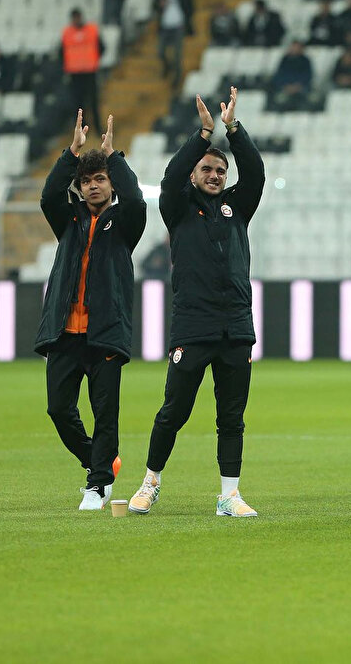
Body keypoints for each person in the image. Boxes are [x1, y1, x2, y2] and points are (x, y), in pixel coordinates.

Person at [128, 87, 266, 517]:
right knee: (174, 411)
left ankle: (229, 494)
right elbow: (171, 178)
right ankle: (150, 483)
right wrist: (203, 135)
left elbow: (256, 174)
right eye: (207, 168)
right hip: (193, 325)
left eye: (220, 170)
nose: (215, 174)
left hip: (237, 328)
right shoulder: (178, 207)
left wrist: (233, 130)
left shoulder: (237, 208)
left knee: (232, 417)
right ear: (194, 173)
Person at [36, 111, 146, 510]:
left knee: (105, 413)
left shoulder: (126, 221)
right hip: (65, 331)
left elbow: (135, 198)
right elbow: (48, 196)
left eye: (99, 179)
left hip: (104, 332)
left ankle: (99, 485)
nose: (93, 186)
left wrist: (112, 155)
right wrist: (72, 153)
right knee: (58, 408)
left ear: (110, 183)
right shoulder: (68, 220)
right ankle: (97, 461)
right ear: (79, 188)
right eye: (85, 181)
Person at [61, 9, 103, 128]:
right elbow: (62, 52)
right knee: (78, 103)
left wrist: (93, 60)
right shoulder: (67, 33)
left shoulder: (91, 30)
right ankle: (83, 127)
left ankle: (97, 126)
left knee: (93, 101)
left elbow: (101, 47)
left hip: (90, 71)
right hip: (75, 73)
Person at [157, 0, 194, 86]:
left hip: (178, 25)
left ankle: (177, 79)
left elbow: (190, 7)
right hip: (165, 26)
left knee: (177, 54)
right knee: (160, 51)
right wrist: (161, 5)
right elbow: (156, 8)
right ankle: (167, 67)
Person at [271, 40, 313, 105]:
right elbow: (279, 74)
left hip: (300, 87)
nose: (294, 49)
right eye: (293, 47)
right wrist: (286, 86)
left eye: (297, 47)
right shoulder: (285, 60)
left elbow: (308, 75)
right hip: (285, 87)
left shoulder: (305, 61)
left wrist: (297, 86)